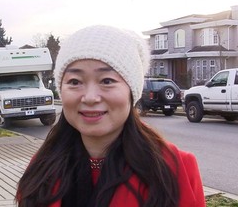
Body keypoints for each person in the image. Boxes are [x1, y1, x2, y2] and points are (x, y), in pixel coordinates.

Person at [16, 25, 206, 207]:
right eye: (74, 81)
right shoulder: (41, 169)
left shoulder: (174, 170)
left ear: (132, 92)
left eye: (107, 81)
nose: (90, 97)